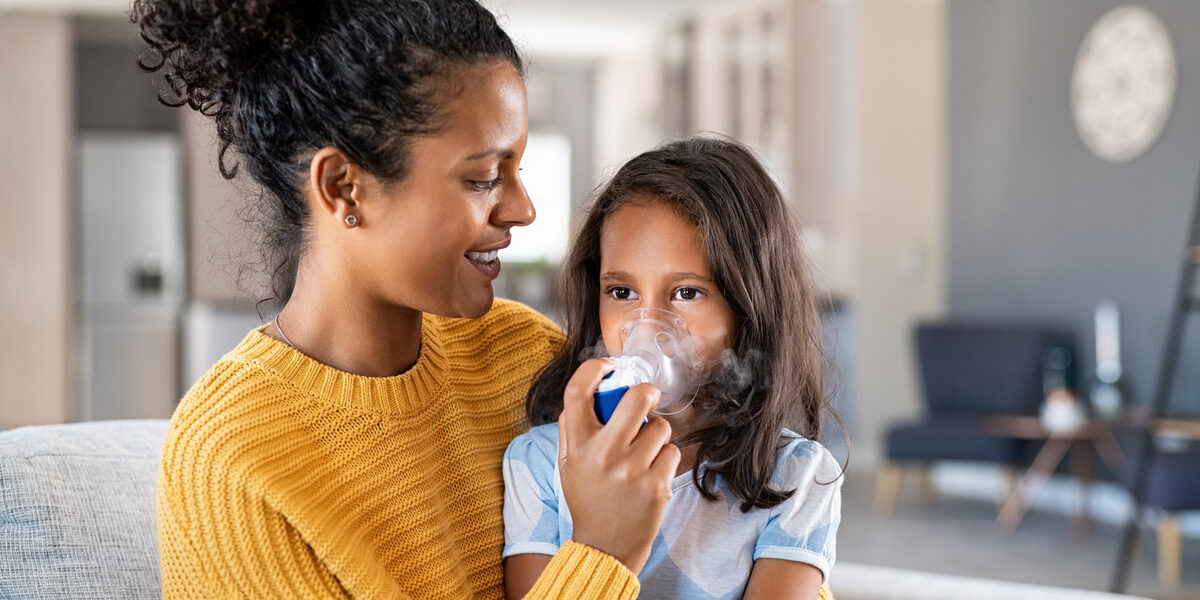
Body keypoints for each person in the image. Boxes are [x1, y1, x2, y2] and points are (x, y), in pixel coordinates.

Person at [133, 0, 678, 597]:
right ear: (344, 187)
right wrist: (601, 555)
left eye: (517, 169)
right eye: (482, 178)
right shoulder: (229, 458)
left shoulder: (525, 355)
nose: (524, 210)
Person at [503, 137, 842, 600]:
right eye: (621, 292)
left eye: (686, 293)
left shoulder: (795, 477)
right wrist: (601, 544)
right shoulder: (542, 463)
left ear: (749, 306)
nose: (646, 325)